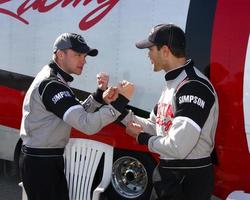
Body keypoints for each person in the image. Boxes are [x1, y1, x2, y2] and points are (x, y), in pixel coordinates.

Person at [19, 32, 134, 200]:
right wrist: (120, 101)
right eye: (78, 54)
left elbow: (75, 112)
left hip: (43, 159)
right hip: (40, 162)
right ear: (60, 54)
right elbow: (86, 124)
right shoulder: (52, 84)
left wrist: (99, 96)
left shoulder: (55, 78)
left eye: (85, 55)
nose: (84, 60)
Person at [122, 24, 219, 200]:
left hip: (188, 179)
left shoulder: (192, 86)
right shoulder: (173, 83)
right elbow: (154, 126)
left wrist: (141, 138)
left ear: (165, 50)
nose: (148, 55)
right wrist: (118, 110)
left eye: (150, 49)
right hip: (168, 174)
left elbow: (177, 147)